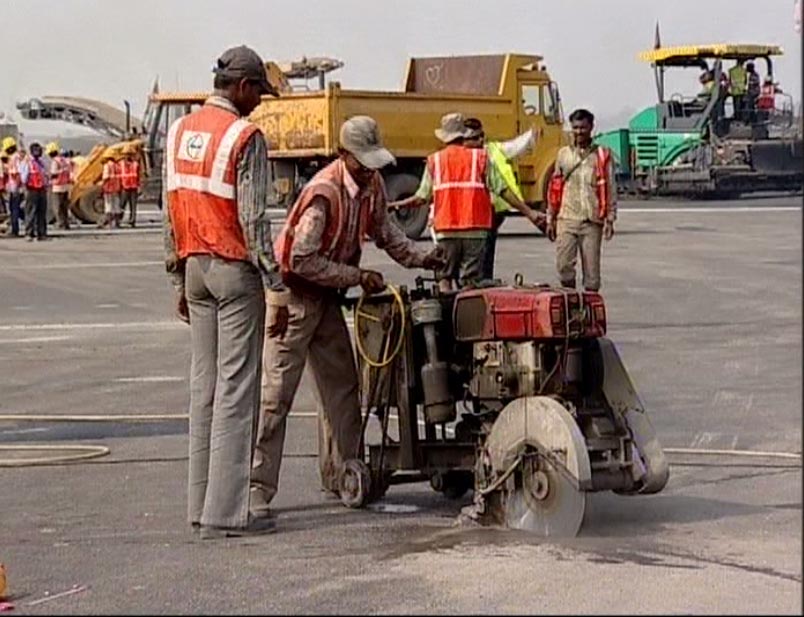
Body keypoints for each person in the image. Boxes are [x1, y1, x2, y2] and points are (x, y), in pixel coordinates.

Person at [249, 115, 446, 518]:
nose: (370, 169)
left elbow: (388, 234)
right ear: (343, 156)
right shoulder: (324, 194)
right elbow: (299, 259)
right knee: (275, 397)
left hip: (328, 299)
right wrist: (358, 276)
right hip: (295, 299)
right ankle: (255, 487)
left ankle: (343, 474)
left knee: (343, 390)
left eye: (373, 161)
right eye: (362, 162)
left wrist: (423, 258)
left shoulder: (371, 186)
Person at [163, 45, 287, 540]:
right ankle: (226, 514)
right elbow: (254, 219)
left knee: (205, 388)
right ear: (243, 88)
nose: (259, 102)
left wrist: (176, 275)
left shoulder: (178, 132)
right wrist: (275, 287)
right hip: (235, 273)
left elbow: (170, 208)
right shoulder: (244, 136)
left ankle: (199, 505)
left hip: (194, 269)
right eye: (259, 91)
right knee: (238, 391)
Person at [389, 112, 543, 291]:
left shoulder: (435, 161)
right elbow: (503, 190)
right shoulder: (481, 158)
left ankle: (447, 314)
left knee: (444, 277)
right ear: (463, 134)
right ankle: (467, 315)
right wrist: (529, 212)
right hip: (475, 230)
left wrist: (397, 204)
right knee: (470, 283)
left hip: (446, 230)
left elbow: (421, 197)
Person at [546, 108, 616, 292]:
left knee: (592, 277)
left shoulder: (602, 155)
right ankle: (571, 303)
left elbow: (610, 187)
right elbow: (554, 188)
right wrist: (550, 218)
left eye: (583, 128)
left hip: (592, 221)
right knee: (564, 268)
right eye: (575, 128)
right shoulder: (563, 155)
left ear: (591, 127)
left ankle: (588, 313)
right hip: (566, 219)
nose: (579, 132)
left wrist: (610, 218)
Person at [462, 117, 539, 280]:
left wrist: (530, 136)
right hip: (470, 212)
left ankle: (483, 282)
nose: (480, 140)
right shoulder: (461, 157)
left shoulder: (494, 149)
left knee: (485, 251)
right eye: (475, 137)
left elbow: (516, 147)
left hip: (493, 211)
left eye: (481, 136)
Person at [19, 142, 49, 242]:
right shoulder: (27, 162)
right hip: (31, 189)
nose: (38, 152)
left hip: (41, 190)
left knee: (42, 212)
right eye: (36, 150)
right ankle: (29, 233)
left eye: (39, 150)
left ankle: (42, 233)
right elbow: (23, 177)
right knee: (30, 212)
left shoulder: (41, 162)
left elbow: (45, 175)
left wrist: (46, 185)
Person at [47, 142, 72, 229]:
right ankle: (66, 223)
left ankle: (60, 223)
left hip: (57, 187)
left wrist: (48, 176)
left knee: (57, 207)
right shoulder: (64, 160)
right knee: (64, 206)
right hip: (65, 186)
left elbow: (54, 173)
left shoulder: (55, 161)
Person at [3, 138, 25, 237]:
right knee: (17, 209)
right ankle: (32, 223)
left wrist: (16, 188)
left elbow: (16, 174)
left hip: (15, 188)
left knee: (14, 209)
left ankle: (14, 230)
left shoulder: (14, 158)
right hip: (17, 187)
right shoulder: (19, 157)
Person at [119, 145, 141, 227]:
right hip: (125, 187)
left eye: (129, 154)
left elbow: (138, 176)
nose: (127, 156)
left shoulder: (136, 164)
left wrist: (139, 187)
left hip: (133, 187)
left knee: (133, 205)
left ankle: (132, 220)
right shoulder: (121, 164)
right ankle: (119, 219)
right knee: (122, 204)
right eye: (126, 154)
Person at [99, 154, 121, 229]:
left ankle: (109, 224)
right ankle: (117, 223)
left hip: (109, 187)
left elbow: (106, 177)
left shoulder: (107, 166)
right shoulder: (117, 166)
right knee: (116, 205)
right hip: (117, 187)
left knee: (108, 205)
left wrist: (101, 184)